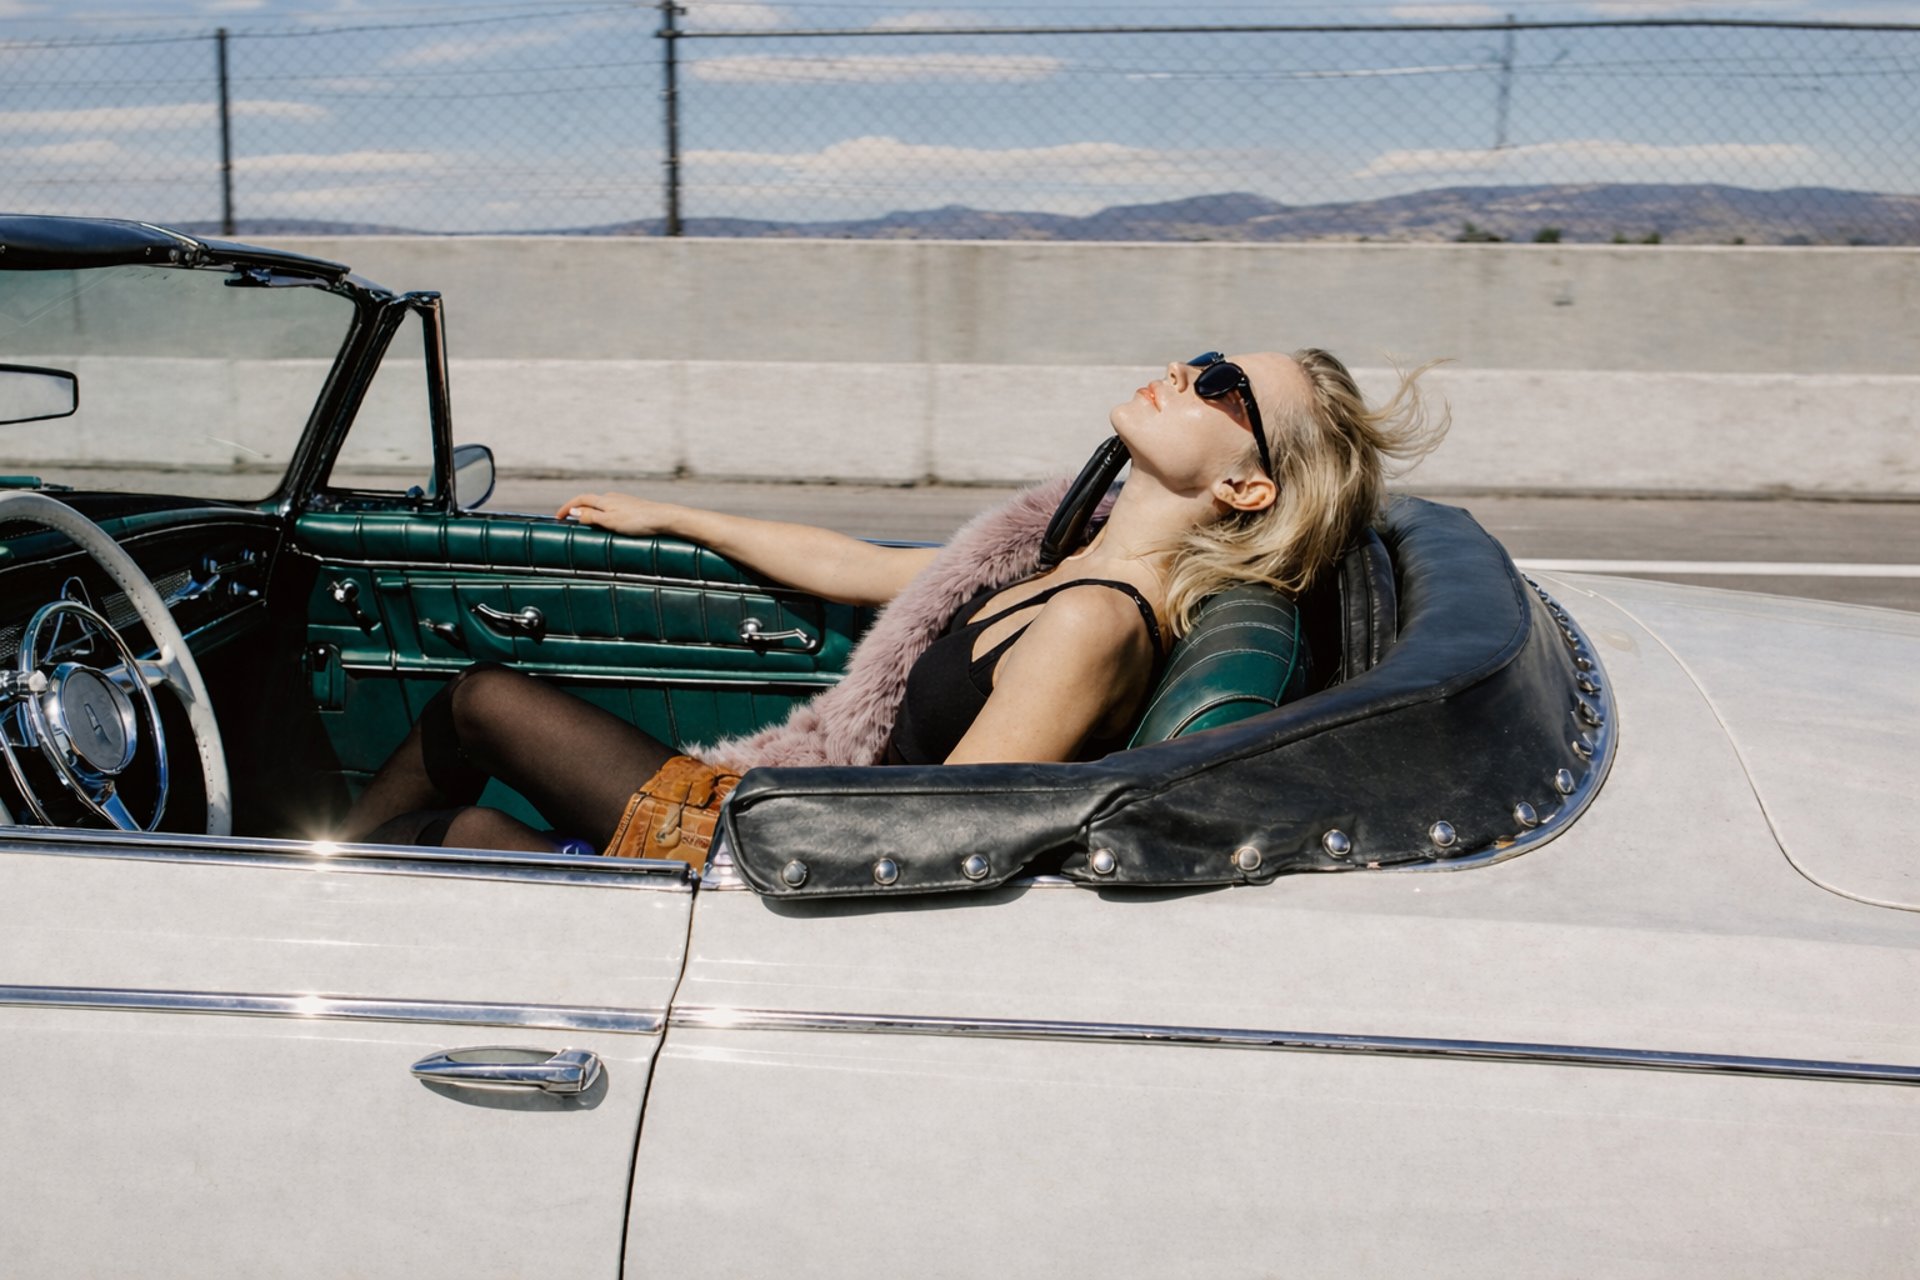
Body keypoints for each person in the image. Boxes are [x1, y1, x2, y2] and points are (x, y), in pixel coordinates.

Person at [340, 348, 1444, 860]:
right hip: (788, 803)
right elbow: (871, 568)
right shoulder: (1070, 544)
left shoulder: (1094, 618)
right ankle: (329, 884)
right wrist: (680, 518)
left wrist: (747, 830)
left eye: (1222, 387)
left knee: (479, 699)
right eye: (1201, 357)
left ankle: (287, 902)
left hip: (762, 846)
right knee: (469, 833)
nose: (1183, 371)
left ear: (1246, 486)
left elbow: (924, 842)